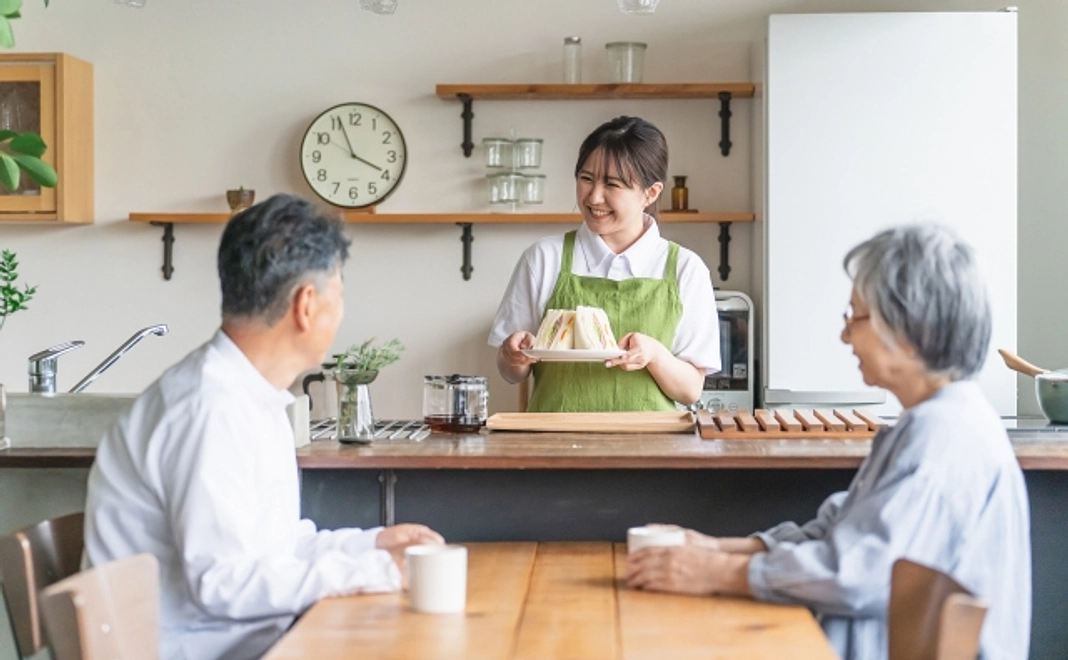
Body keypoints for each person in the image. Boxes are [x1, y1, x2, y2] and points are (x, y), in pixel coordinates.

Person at [626, 224, 1031, 660]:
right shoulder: (931, 423)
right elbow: (841, 530)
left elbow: (856, 573)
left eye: (855, 317)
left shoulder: (943, 438)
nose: (844, 336)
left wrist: (717, 572)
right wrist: (714, 548)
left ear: (912, 332)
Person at [84, 194, 444, 660]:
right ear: (307, 306)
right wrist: (378, 570)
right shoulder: (210, 409)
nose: (342, 311)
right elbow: (222, 584)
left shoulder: (247, 397)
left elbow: (274, 549)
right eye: (341, 292)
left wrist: (371, 544)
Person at [488, 116, 720, 412]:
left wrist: (655, 355)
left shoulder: (685, 268)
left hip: (651, 450)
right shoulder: (544, 258)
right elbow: (510, 374)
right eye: (586, 179)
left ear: (651, 193)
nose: (594, 197)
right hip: (554, 446)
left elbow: (690, 390)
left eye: (612, 184)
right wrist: (512, 356)